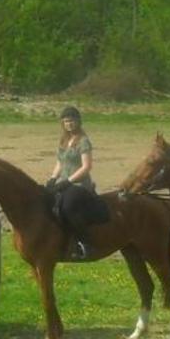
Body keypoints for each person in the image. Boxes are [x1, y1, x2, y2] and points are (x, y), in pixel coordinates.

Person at [45, 106, 109, 260]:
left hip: (80, 185)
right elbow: (60, 162)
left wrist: (68, 181)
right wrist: (53, 179)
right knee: (47, 200)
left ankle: (84, 243)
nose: (69, 124)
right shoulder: (64, 140)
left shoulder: (83, 141)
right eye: (66, 121)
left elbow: (87, 167)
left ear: (78, 121)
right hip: (64, 182)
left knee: (67, 205)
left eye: (72, 120)